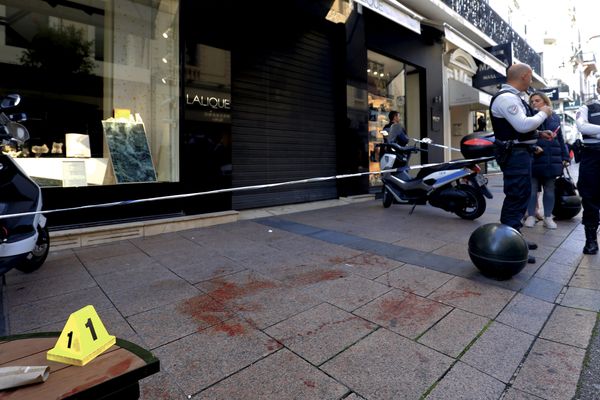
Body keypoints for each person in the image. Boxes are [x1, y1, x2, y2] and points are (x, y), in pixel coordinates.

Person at [489, 63, 553, 263]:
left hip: (520, 154)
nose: (531, 80)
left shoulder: (514, 97)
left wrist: (539, 133)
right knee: (516, 196)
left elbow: (519, 129)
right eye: (531, 77)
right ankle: (507, 248)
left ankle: (515, 239)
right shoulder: (507, 98)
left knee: (521, 195)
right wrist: (544, 113)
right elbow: (522, 124)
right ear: (524, 76)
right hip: (515, 155)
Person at [524, 92, 570, 230]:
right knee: (532, 190)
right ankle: (531, 216)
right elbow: (524, 137)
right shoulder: (530, 117)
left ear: (545, 102)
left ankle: (548, 217)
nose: (534, 104)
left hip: (552, 159)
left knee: (549, 190)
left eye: (537, 100)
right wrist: (533, 147)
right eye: (532, 102)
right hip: (534, 158)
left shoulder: (555, 117)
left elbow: (561, 139)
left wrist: (565, 156)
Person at [575, 78, 600, 254]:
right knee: (590, 199)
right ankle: (590, 241)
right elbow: (582, 127)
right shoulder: (587, 108)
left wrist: (596, 130)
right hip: (592, 156)